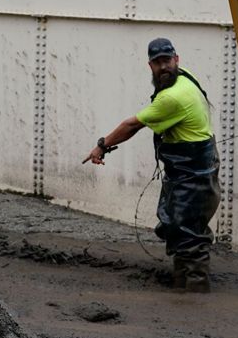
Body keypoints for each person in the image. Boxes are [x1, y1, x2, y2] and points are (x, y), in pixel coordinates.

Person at [83, 37, 220, 293]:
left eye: (167, 61)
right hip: (196, 168)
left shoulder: (173, 97)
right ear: (150, 66)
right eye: (158, 63)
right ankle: (187, 284)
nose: (163, 67)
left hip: (194, 174)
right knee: (180, 226)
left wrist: (101, 146)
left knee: (189, 235)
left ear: (176, 59)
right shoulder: (184, 76)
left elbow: (132, 125)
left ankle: (193, 294)